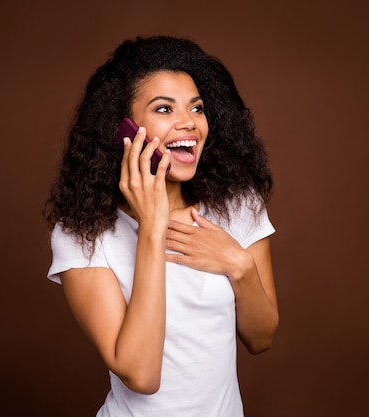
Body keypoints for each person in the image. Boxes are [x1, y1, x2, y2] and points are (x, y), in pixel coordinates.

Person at [43, 35, 278, 417]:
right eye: (164, 109)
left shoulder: (238, 206)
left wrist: (238, 264)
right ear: (121, 128)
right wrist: (152, 227)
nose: (188, 123)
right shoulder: (82, 234)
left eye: (197, 108)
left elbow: (262, 337)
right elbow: (141, 374)